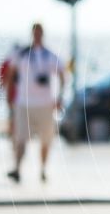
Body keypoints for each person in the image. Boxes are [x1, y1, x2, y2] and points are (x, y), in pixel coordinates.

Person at [5, 23, 65, 183]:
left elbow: (62, 74)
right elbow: (11, 75)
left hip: (45, 104)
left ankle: (43, 169)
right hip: (24, 103)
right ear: (32, 33)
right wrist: (9, 97)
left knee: (46, 139)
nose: (37, 35)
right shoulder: (21, 54)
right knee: (21, 138)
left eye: (40, 32)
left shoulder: (49, 55)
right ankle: (17, 168)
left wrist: (59, 97)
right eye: (35, 32)